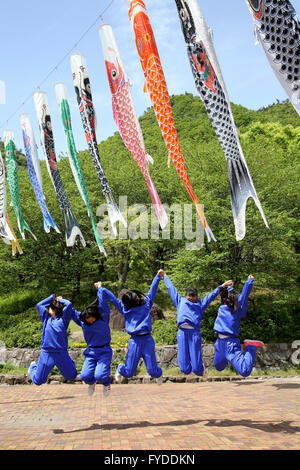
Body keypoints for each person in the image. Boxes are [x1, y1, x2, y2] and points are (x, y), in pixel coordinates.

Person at [161, 270, 233, 379]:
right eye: (189, 296)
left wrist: (222, 286)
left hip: (194, 333)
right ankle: (189, 371)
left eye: (193, 296)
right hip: (182, 333)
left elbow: (211, 295)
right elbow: (171, 288)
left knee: (196, 368)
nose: (191, 298)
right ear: (186, 296)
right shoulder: (180, 301)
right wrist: (165, 276)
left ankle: (201, 370)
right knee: (184, 369)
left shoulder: (200, 304)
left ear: (196, 297)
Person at [100, 271, 164, 385]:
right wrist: (101, 288)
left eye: (138, 297)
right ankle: (120, 368)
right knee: (129, 373)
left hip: (147, 339)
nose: (139, 299)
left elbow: (153, 290)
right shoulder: (124, 309)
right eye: (137, 299)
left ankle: (159, 375)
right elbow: (112, 298)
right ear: (131, 303)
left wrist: (158, 276)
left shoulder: (146, 304)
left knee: (153, 371)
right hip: (135, 341)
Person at [213, 275, 264, 377]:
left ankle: (251, 347)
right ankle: (229, 358)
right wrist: (229, 286)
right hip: (219, 342)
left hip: (230, 344)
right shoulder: (223, 306)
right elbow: (221, 293)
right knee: (218, 366)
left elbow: (244, 295)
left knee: (245, 371)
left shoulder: (237, 308)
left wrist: (249, 282)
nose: (225, 298)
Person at [71, 283, 112, 397]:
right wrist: (63, 301)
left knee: (100, 376)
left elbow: (103, 303)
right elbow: (73, 312)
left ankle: (107, 383)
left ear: (95, 315)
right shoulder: (83, 322)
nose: (90, 321)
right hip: (91, 352)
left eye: (91, 319)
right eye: (87, 320)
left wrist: (99, 289)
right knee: (84, 376)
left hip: (104, 351)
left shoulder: (103, 318)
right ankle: (91, 383)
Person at [28, 294, 77, 386]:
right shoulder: (46, 319)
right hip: (47, 353)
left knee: (72, 375)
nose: (49, 310)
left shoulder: (63, 319)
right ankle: (33, 366)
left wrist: (61, 300)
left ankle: (69, 361)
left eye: (51, 308)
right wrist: (52, 297)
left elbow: (69, 304)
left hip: (61, 353)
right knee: (38, 381)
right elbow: (39, 305)